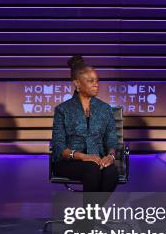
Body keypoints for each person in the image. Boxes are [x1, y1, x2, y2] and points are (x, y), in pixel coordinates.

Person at [50, 55, 119, 193]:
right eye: (90, 81)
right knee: (92, 169)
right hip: (69, 162)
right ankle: (92, 213)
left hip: (98, 159)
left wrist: (110, 156)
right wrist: (85, 157)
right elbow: (59, 146)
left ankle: (92, 213)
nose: (96, 84)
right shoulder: (63, 109)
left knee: (111, 172)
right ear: (77, 84)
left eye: (97, 81)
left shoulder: (105, 109)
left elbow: (111, 138)